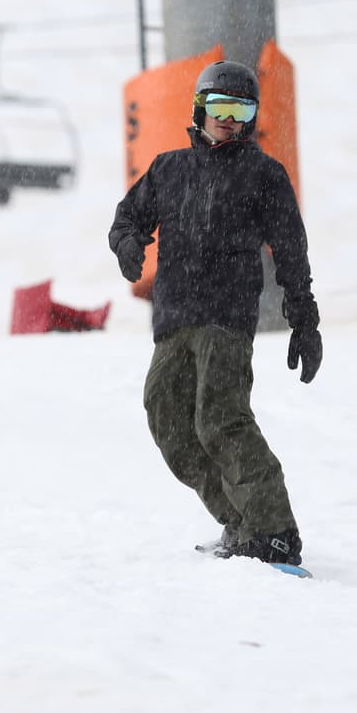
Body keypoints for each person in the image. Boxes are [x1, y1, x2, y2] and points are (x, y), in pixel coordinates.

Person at [108, 59, 323, 567]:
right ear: (200, 110)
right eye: (221, 107)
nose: (230, 119)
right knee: (167, 417)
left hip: (226, 318)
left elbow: (291, 250)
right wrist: (128, 244)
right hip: (175, 317)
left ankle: (274, 530)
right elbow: (126, 219)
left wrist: (305, 319)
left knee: (220, 419)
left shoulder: (264, 175)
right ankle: (243, 520)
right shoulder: (169, 169)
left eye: (242, 109)